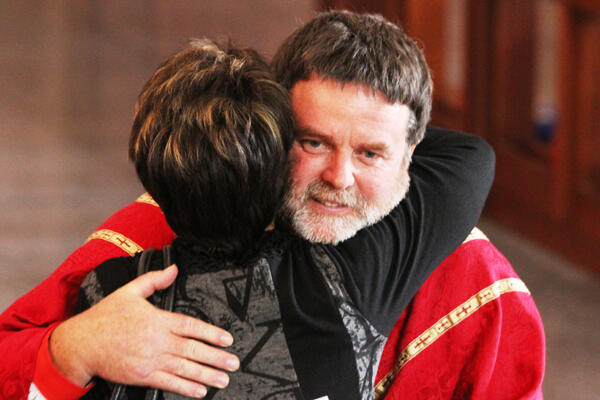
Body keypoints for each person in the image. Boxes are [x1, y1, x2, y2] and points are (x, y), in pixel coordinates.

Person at [0, 10, 519, 400]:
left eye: (370, 152)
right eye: (313, 142)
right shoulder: (148, 224)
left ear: (411, 152)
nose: (339, 179)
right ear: (270, 131)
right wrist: (74, 347)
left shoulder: (470, 267)